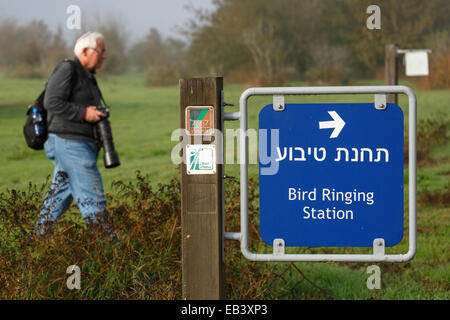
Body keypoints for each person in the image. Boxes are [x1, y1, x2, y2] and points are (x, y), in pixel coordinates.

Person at [34, 32, 117, 241]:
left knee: (57, 199)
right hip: (70, 145)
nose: (104, 56)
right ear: (85, 51)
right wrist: (84, 113)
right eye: (101, 51)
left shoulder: (87, 76)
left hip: (77, 145)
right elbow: (51, 102)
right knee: (93, 199)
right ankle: (114, 255)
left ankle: (33, 248)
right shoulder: (67, 69)